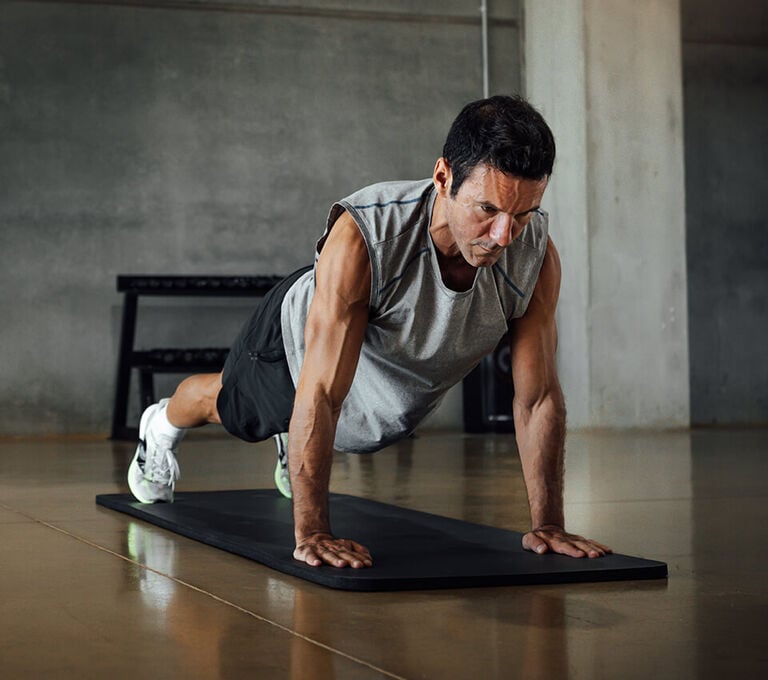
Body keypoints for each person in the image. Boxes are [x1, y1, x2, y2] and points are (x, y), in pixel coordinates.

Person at [128, 95, 611, 569]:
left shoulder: (533, 257)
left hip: (371, 386)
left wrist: (549, 524)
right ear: (443, 178)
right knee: (232, 407)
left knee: (320, 417)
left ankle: (291, 438)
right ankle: (160, 425)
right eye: (487, 208)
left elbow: (538, 398)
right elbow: (318, 392)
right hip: (295, 348)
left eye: (523, 214)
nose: (504, 235)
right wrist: (313, 531)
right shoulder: (368, 237)